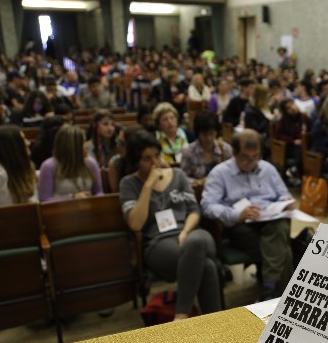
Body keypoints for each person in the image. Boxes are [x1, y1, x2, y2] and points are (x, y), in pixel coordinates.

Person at [120, 131, 221, 320]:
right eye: (147, 159)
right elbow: (135, 224)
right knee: (206, 266)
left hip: (190, 233)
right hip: (158, 243)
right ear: (135, 162)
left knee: (196, 242)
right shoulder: (129, 184)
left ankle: (181, 316)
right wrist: (148, 185)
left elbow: (194, 211)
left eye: (157, 156)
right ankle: (215, 324)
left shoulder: (178, 175)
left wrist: (185, 232)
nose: (155, 163)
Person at [201, 129, 294, 301]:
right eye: (245, 157)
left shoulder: (267, 169)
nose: (250, 162)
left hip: (269, 220)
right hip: (240, 226)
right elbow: (207, 206)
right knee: (284, 251)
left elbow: (283, 194)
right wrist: (237, 214)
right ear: (234, 153)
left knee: (280, 226)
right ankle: (277, 294)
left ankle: (270, 294)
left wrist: (286, 201)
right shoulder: (220, 173)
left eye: (255, 157)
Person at [38, 125, 103, 202]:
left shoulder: (91, 163)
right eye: (83, 142)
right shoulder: (49, 166)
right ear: (72, 146)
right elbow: (44, 199)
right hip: (60, 209)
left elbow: (99, 192)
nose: (87, 145)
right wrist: (72, 198)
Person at [180, 111, 233, 188]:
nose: (208, 138)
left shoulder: (225, 149)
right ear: (198, 133)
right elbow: (183, 178)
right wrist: (198, 182)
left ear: (216, 132)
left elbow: (233, 173)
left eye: (211, 133)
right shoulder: (189, 152)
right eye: (204, 134)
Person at [244, 84, 274, 151]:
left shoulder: (263, 107)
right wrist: (268, 119)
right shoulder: (250, 110)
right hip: (256, 138)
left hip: (266, 136)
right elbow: (256, 129)